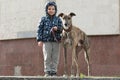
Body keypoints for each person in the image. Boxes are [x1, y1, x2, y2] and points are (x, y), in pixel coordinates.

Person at [36, 1, 63, 77]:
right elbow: (39, 29)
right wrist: (39, 40)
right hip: (46, 41)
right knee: (47, 56)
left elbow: (62, 29)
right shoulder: (43, 19)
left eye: (53, 9)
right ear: (46, 10)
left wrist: (57, 28)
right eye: (49, 9)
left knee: (55, 57)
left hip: (56, 41)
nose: (51, 10)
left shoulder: (58, 19)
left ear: (55, 10)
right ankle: (47, 71)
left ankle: (53, 72)